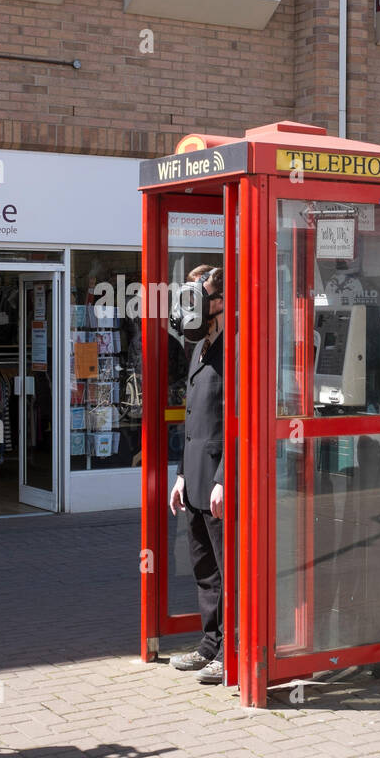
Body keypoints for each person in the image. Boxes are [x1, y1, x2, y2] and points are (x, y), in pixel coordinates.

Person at [168, 265, 225, 685]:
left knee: (228, 569)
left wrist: (225, 477)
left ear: (218, 302)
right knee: (203, 567)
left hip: (221, 480)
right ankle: (209, 645)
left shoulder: (234, 350)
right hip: (195, 478)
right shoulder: (199, 349)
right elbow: (193, 419)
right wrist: (182, 476)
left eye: (198, 296)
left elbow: (235, 422)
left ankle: (231, 648)